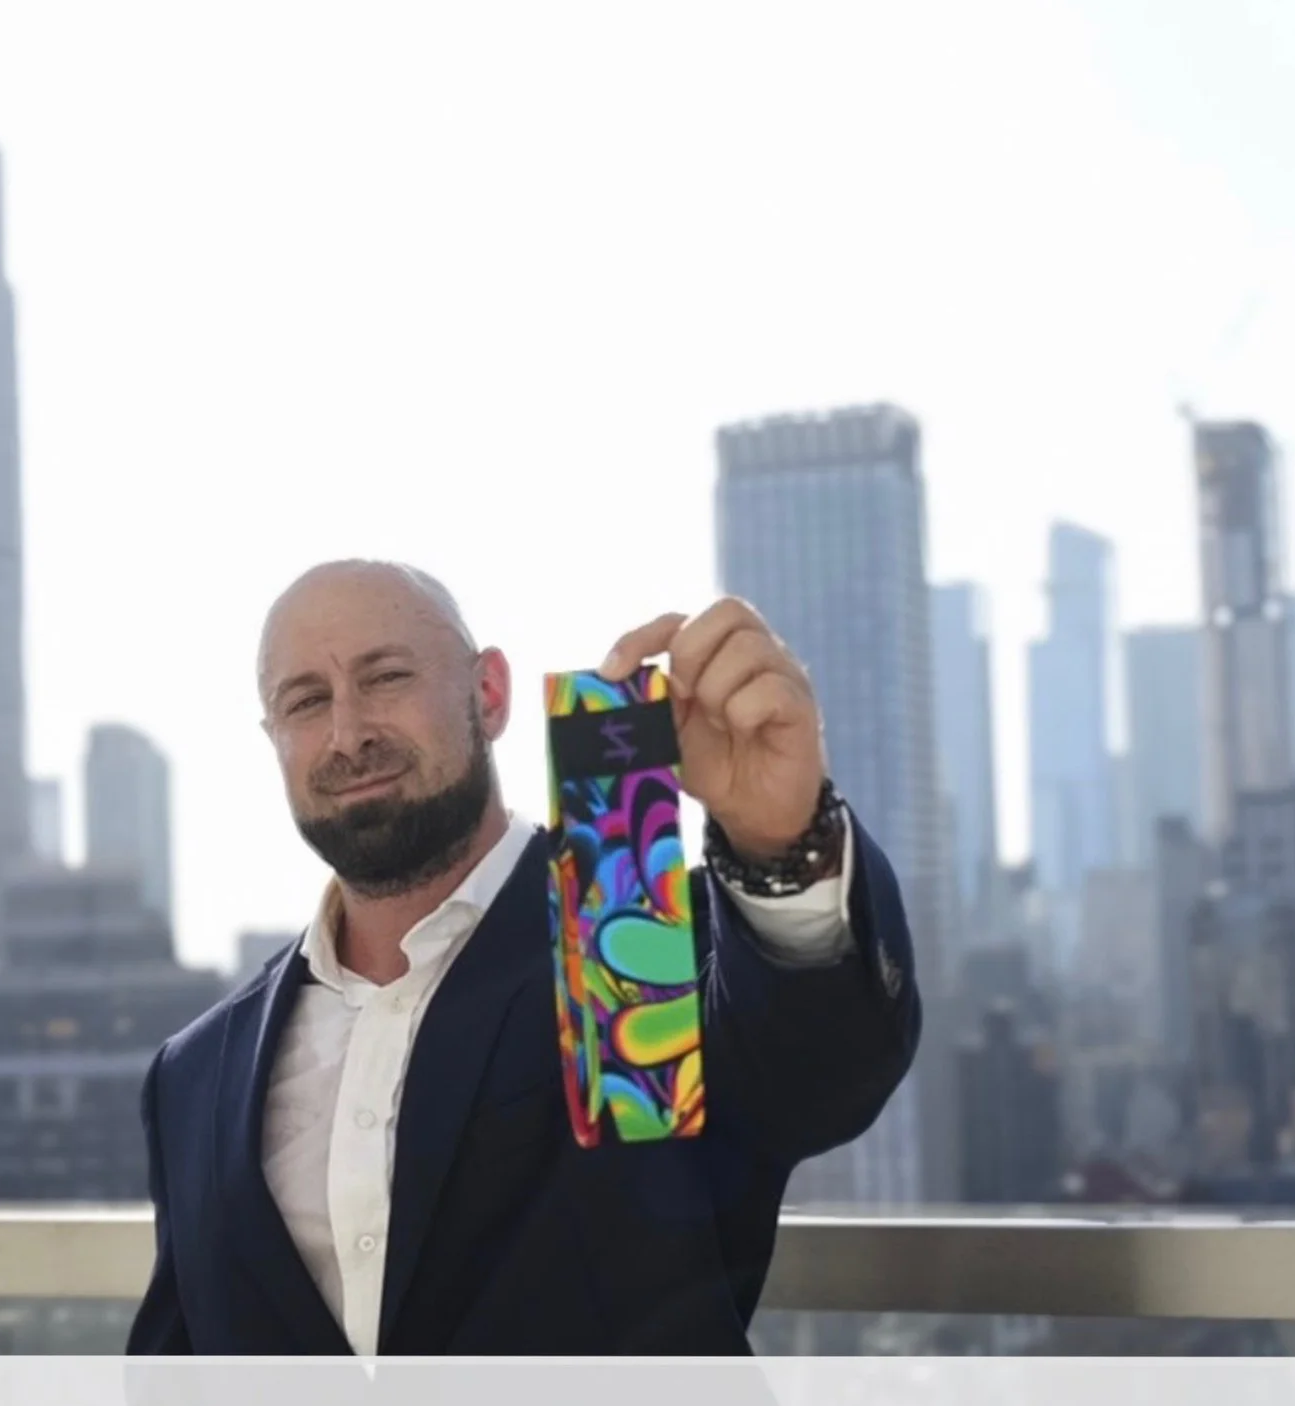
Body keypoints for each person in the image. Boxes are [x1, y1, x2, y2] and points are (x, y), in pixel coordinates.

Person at [126, 558, 921, 1356]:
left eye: (387, 677)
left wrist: (784, 843)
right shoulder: (195, 1076)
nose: (348, 732)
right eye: (305, 701)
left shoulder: (634, 943)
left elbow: (819, 1069)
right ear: (274, 739)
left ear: (489, 694)